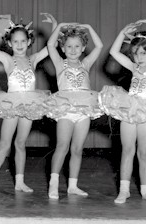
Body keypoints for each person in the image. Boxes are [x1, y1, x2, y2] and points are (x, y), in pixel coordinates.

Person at [99, 19, 146, 204]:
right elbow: (113, 52)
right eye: (135, 53)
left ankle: (145, 191)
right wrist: (123, 33)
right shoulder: (134, 67)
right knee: (127, 150)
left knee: (143, 152)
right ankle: (124, 190)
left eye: (143, 53)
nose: (138, 57)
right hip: (130, 108)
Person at [0, 13, 56, 194]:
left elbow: (52, 46)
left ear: (29, 42)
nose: (19, 45)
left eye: (23, 41)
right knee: (4, 143)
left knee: (20, 143)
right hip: (12, 104)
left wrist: (55, 26)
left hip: (29, 104)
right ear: (9, 43)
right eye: (16, 42)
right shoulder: (7, 59)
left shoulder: (33, 59)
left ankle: (19, 182)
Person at [45, 22, 103, 199]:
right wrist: (61, 25)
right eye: (68, 46)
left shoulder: (85, 63)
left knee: (77, 149)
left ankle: (72, 185)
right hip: (65, 109)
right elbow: (49, 45)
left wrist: (88, 26)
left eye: (77, 46)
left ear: (83, 47)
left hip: (84, 109)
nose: (72, 49)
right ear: (62, 48)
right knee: (62, 146)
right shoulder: (59, 63)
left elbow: (99, 46)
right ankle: (53, 185)